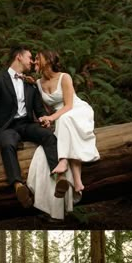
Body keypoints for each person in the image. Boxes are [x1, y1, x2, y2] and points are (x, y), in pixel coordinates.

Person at [0, 45, 68, 208]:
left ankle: (60, 178)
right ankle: (18, 186)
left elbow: (39, 109)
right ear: (19, 57)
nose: (32, 61)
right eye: (30, 57)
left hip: (27, 125)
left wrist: (45, 119)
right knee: (8, 144)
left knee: (48, 136)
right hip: (6, 128)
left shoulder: (30, 84)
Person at [27, 50, 99, 219]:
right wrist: (46, 120)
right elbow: (43, 109)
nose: (34, 61)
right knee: (61, 129)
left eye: (37, 58)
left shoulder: (64, 77)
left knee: (65, 120)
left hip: (76, 111)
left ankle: (64, 161)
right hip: (60, 119)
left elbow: (68, 105)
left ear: (49, 60)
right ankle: (77, 182)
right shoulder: (38, 83)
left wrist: (52, 118)